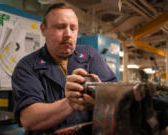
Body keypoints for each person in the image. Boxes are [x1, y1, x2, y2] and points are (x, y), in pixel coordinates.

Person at [12, 2, 117, 135]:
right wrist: (70, 103)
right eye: (60, 27)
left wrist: (101, 94)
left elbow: (115, 94)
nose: (68, 34)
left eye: (73, 28)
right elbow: (29, 119)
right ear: (43, 30)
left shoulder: (91, 55)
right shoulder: (27, 66)